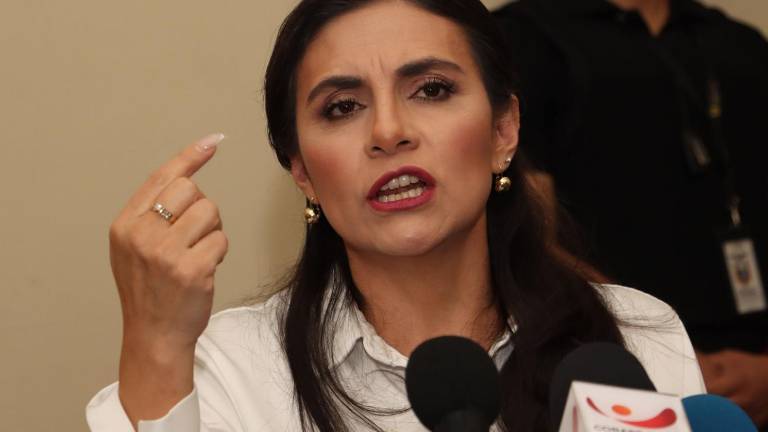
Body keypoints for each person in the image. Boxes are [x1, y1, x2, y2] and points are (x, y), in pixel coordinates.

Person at [86, 1, 705, 431]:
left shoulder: (636, 338)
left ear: (503, 131)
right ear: (302, 172)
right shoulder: (228, 369)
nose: (388, 131)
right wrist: (155, 342)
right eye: (343, 106)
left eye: (431, 90)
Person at [492, 0, 768, 427]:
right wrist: (657, 348)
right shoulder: (524, 39)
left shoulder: (741, 45)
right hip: (611, 365)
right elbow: (532, 233)